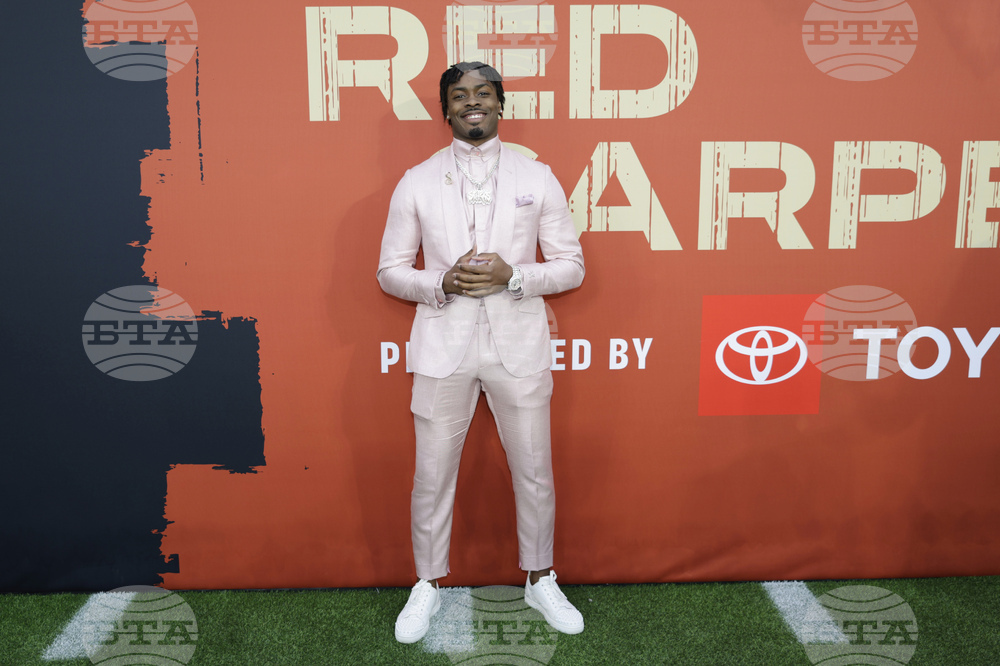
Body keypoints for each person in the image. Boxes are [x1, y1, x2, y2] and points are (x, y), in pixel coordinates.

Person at [377, 61, 585, 644]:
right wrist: (439, 282)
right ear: (446, 109)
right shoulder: (416, 181)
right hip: (442, 347)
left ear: (500, 103)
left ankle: (540, 578)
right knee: (431, 476)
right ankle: (426, 582)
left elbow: (571, 266)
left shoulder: (537, 176)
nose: (473, 102)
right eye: (460, 95)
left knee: (535, 471)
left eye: (484, 93)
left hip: (519, 346)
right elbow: (390, 271)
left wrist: (513, 275)